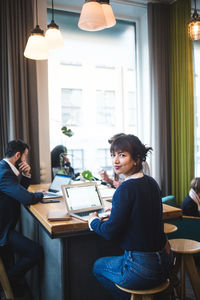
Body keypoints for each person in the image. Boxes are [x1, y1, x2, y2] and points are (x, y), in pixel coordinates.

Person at [88, 134, 173, 300]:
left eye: (122, 155)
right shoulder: (151, 182)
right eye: (113, 155)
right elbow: (141, 214)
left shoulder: (125, 189)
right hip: (165, 263)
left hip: (141, 270)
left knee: (98, 267)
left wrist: (93, 221)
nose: (115, 161)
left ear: (136, 159)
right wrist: (118, 211)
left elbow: (110, 232)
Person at [0, 140, 44, 298]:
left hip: (6, 226)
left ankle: (12, 280)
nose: (25, 160)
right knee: (35, 252)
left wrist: (26, 176)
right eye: (25, 156)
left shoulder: (5, 169)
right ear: (18, 155)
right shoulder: (4, 173)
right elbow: (26, 198)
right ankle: (7, 282)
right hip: (2, 229)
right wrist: (41, 195)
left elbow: (17, 192)